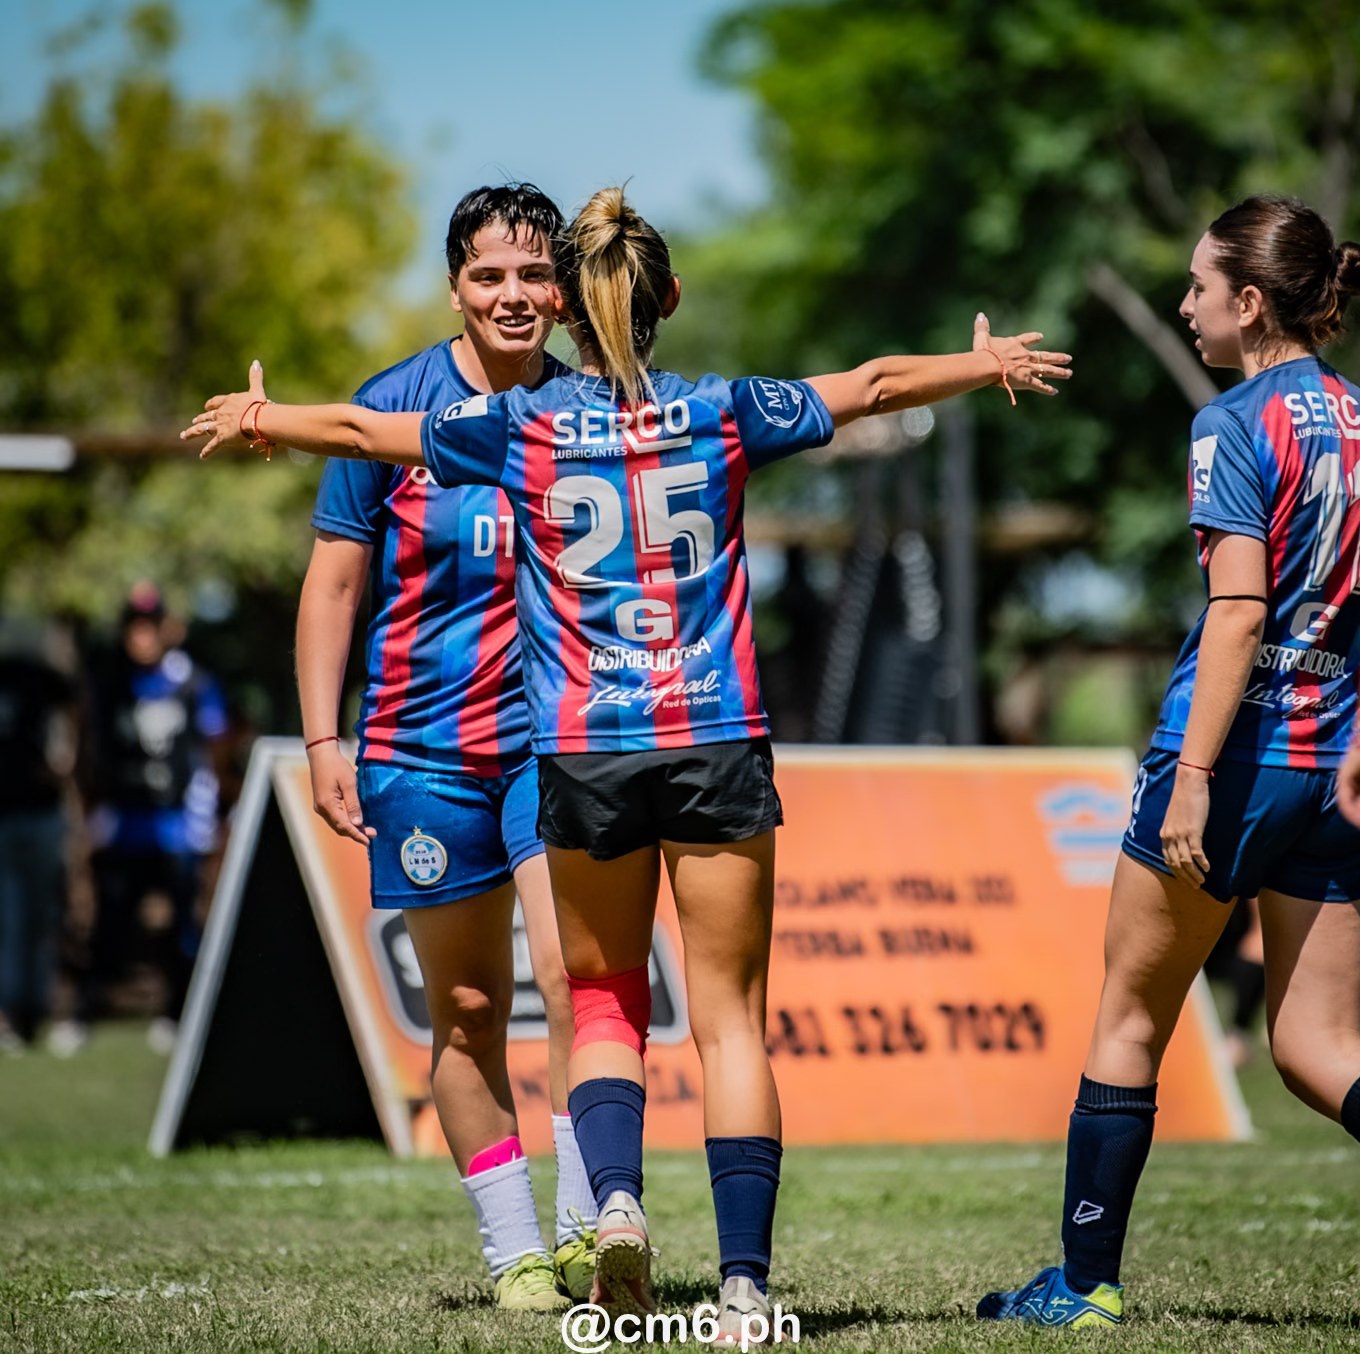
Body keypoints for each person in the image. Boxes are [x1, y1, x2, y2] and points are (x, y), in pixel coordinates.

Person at [182, 185, 1069, 1336]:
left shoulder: (528, 427)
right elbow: (875, 386)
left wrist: (266, 420)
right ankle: (741, 1281)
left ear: (570, 301)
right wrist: (979, 363)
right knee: (727, 1018)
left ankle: (610, 1211)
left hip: (581, 749)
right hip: (701, 737)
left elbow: (358, 436)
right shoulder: (725, 408)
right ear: (669, 301)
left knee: (591, 997)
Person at [975, 194, 1360, 1329]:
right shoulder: (1357, 417)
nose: (1183, 305)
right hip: (1335, 765)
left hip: (1233, 761)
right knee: (1314, 1045)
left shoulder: (1230, 421)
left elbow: (1237, 611)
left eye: (1197, 286)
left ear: (1248, 302)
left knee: (1129, 1014)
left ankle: (1082, 1287)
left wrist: (1191, 775)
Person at [295, 183, 594, 1312]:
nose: (511, 296)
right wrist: (327, 736)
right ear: (455, 286)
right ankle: (513, 1250)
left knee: (573, 982)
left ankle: (583, 1231)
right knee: (466, 1009)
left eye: (532, 275)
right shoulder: (389, 408)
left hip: (557, 751)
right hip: (419, 754)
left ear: (560, 290)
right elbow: (334, 582)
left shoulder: (595, 407)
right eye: (488, 275)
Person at [58, 583, 228, 1056]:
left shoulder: (192, 680)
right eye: (134, 626)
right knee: (109, 921)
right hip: (123, 820)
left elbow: (216, 744)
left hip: (177, 823)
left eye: (150, 626)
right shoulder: (108, 682)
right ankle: (80, 1014)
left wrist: (212, 810)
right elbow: (84, 746)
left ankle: (179, 1015)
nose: (142, 636)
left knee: (182, 925)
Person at [0, 626, 77, 1052]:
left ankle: (39, 1009)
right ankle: (12, 1014)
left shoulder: (40, 676)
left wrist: (63, 768)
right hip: (7, 816)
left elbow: (73, 718)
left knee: (44, 917)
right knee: (10, 920)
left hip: (43, 813)